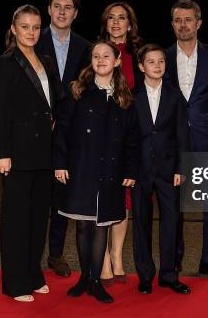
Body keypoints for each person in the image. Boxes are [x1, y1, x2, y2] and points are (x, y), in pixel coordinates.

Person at [53, 40, 139, 303]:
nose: (100, 60)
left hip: (110, 170)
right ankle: (83, 278)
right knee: (82, 225)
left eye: (106, 56)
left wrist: (130, 169)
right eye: (95, 56)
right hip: (81, 167)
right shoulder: (78, 92)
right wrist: (60, 163)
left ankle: (94, 281)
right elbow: (62, 131)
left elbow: (131, 140)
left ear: (116, 62)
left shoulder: (124, 98)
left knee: (102, 225)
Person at [0, 4, 64, 302]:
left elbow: (56, 102)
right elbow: (0, 111)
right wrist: (2, 153)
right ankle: (15, 282)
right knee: (16, 221)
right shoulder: (5, 62)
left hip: (44, 153)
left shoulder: (47, 61)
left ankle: (33, 274)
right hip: (18, 153)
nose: (31, 32)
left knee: (38, 219)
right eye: (25, 26)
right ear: (14, 29)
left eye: (36, 27)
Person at [164, 0, 208, 283]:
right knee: (174, 203)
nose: (183, 24)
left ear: (198, 23)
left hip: (207, 138)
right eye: (178, 20)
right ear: (172, 24)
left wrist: (201, 115)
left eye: (188, 19)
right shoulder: (162, 57)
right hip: (173, 141)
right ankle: (174, 260)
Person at [36, 0, 91, 278]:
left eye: (68, 7)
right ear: (48, 9)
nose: (61, 11)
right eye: (57, 6)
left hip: (68, 130)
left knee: (60, 194)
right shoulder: (33, 39)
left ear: (75, 13)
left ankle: (55, 254)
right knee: (34, 194)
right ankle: (30, 254)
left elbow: (84, 89)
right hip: (36, 129)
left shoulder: (85, 46)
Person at [132, 44, 191, 295]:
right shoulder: (131, 96)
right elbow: (127, 138)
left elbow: (182, 134)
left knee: (172, 221)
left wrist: (181, 167)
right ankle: (145, 275)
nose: (157, 66)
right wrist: (129, 169)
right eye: (151, 62)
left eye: (161, 62)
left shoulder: (175, 96)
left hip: (169, 169)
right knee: (141, 223)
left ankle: (169, 274)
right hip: (139, 169)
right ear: (141, 66)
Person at [98, 1, 143, 284]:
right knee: (102, 198)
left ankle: (117, 256)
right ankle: (101, 258)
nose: (116, 22)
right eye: (111, 18)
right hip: (101, 135)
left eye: (122, 18)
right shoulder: (96, 52)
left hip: (129, 134)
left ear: (130, 23)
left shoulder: (139, 53)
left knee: (124, 199)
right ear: (105, 23)